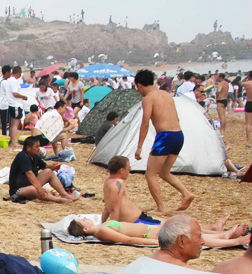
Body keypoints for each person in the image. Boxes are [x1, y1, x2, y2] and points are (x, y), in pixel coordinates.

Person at [134, 69, 194, 213]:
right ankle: (186, 193)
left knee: (150, 174)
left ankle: (161, 207)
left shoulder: (148, 98)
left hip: (165, 136)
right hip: (178, 135)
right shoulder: (166, 95)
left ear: (140, 85)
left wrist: (139, 147)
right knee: (164, 172)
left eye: (137, 87)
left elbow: (145, 122)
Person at [67, 215, 246, 247]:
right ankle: (233, 240)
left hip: (151, 230)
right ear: (85, 228)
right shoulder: (101, 232)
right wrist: (155, 243)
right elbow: (127, 239)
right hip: (150, 234)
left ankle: (223, 234)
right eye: (82, 220)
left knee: (187, 228)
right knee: (192, 237)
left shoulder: (101, 226)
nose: (85, 218)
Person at [6, 135, 78, 203]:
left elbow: (45, 167)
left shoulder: (34, 156)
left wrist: (54, 167)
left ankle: (64, 194)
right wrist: (39, 188)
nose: (39, 149)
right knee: (34, 189)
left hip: (29, 184)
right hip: (18, 190)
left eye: (39, 146)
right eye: (36, 147)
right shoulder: (22, 156)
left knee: (48, 172)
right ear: (28, 148)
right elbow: (29, 174)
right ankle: (58, 200)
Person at [101, 156, 159, 224]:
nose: (129, 171)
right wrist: (112, 229)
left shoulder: (108, 181)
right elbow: (114, 210)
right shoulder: (117, 184)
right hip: (135, 221)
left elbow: (107, 207)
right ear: (122, 170)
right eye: (128, 168)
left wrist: (102, 223)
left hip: (135, 219)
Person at [242, 72, 252, 146]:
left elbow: (241, 83)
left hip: (249, 103)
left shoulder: (247, 83)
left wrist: (246, 77)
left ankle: (248, 141)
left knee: (248, 123)